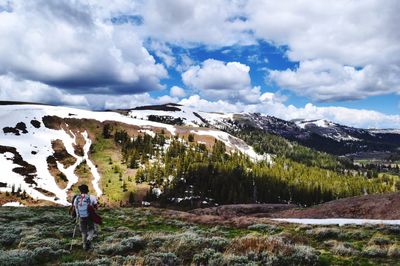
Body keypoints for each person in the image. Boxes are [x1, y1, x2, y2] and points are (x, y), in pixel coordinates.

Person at [73, 184, 98, 250]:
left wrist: (77, 216)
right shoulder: (92, 197)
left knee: (83, 231)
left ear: (80, 191)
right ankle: (88, 239)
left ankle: (84, 246)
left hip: (81, 217)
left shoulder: (77, 198)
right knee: (91, 229)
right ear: (87, 190)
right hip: (89, 216)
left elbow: (75, 207)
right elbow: (96, 207)